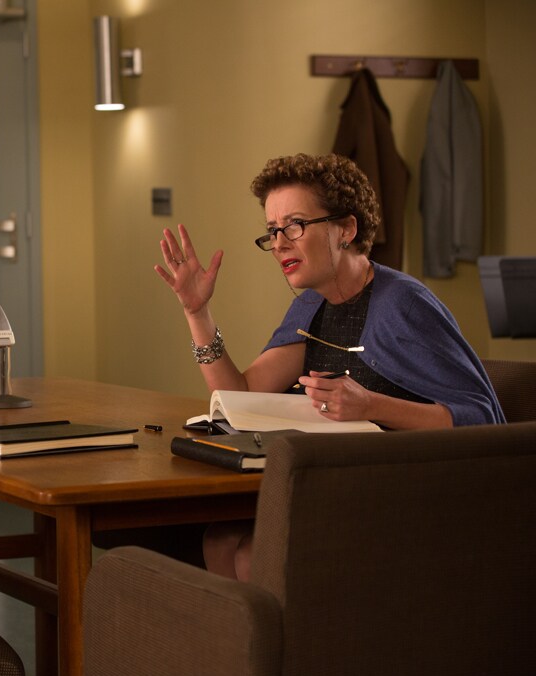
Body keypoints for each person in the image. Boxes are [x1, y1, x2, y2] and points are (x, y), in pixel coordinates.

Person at [154, 152, 503, 581]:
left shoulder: (403, 304)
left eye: (295, 225)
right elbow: (240, 394)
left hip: (410, 499)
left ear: (346, 229)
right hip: (336, 487)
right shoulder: (312, 306)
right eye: (272, 231)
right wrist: (198, 313)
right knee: (219, 539)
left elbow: (484, 422)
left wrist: (372, 405)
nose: (280, 243)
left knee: (249, 556)